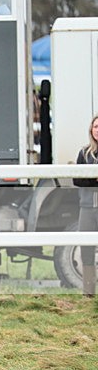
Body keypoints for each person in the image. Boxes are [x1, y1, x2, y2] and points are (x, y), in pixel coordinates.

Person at [73, 114, 98, 297]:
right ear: (91, 130)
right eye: (96, 126)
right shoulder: (84, 153)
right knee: (86, 249)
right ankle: (88, 293)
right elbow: (77, 179)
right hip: (87, 207)